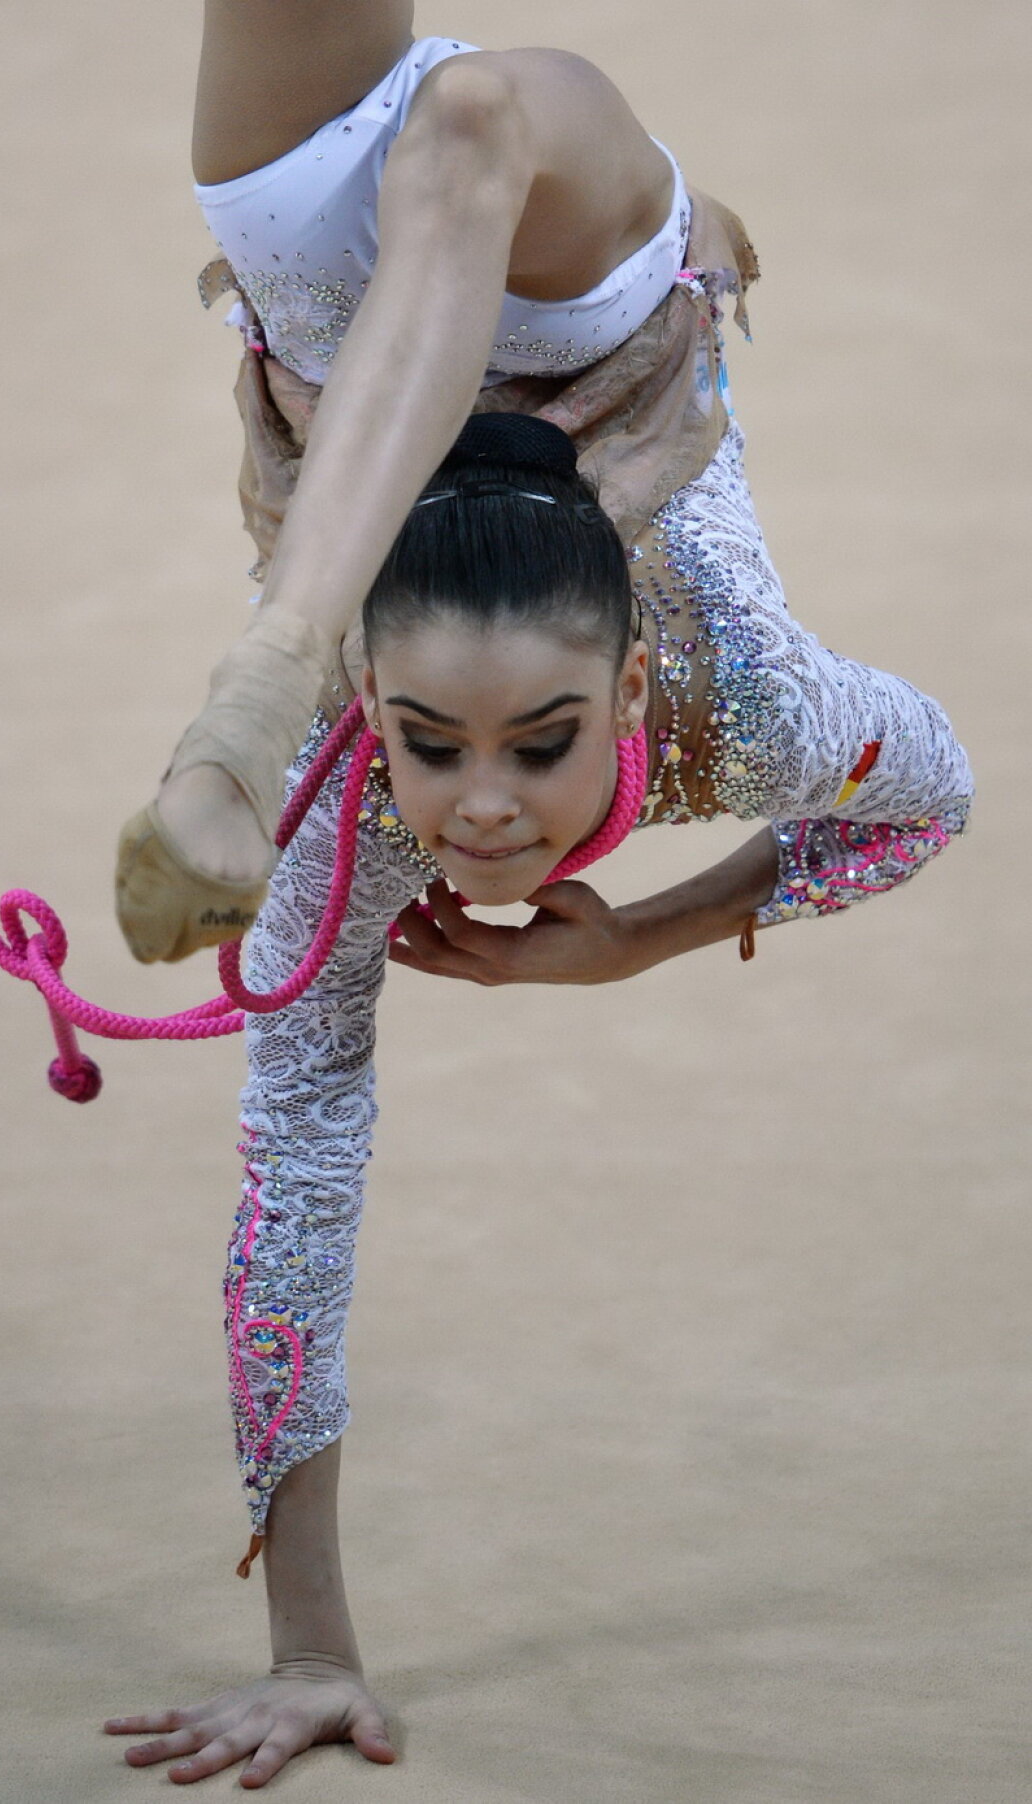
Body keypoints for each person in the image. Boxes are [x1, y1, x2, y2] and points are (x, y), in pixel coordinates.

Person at [105, 3, 973, 1788]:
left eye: (540, 743)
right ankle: (270, 674)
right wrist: (312, 1656)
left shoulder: (745, 700)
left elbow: (930, 795)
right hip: (594, 304)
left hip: (350, 328)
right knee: (479, 116)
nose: (481, 813)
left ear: (636, 703)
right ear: (373, 706)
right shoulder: (352, 842)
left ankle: (241, 696)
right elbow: (297, 1208)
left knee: (461, 125)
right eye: (427, 744)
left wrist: (634, 949)